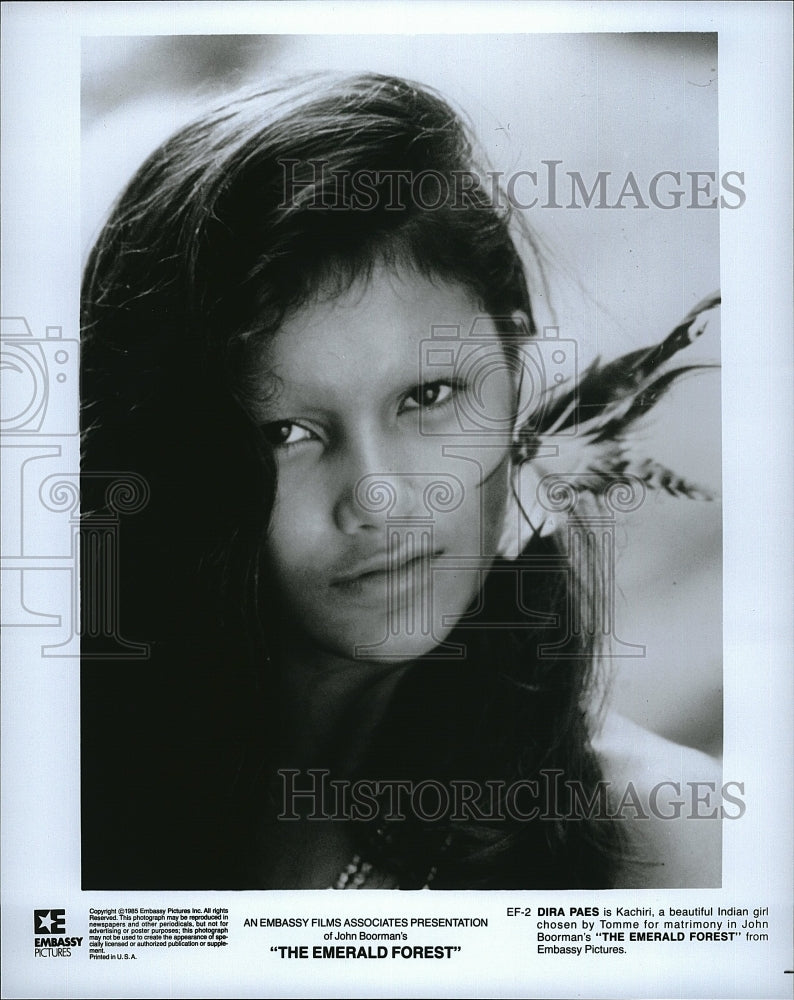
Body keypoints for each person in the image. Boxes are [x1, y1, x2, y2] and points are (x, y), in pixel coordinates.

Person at [80, 72, 721, 890]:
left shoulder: (660, 835)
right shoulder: (75, 783)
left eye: (428, 397)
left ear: (516, 380)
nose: (379, 498)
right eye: (286, 433)